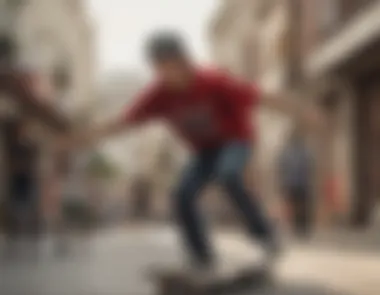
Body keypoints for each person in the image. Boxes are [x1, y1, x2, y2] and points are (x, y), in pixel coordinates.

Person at [65, 31, 326, 271]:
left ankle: (264, 234)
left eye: (171, 66)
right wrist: (83, 138)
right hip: (203, 152)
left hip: (236, 141)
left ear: (184, 62)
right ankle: (202, 255)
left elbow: (263, 97)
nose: (167, 75)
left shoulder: (215, 82)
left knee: (229, 174)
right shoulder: (158, 94)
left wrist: (302, 112)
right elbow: (123, 122)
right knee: (181, 194)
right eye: (159, 69)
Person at [0, 35, 70, 257]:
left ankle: (27, 227)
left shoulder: (14, 82)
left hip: (21, 155)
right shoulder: (13, 82)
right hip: (17, 154)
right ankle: (25, 227)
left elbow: (40, 109)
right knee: (23, 189)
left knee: (25, 189)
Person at [279, 129, 314, 238]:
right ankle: (299, 227)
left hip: (297, 183)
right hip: (298, 183)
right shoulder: (300, 152)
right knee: (299, 206)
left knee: (301, 206)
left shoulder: (290, 153)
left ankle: (302, 227)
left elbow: (282, 167)